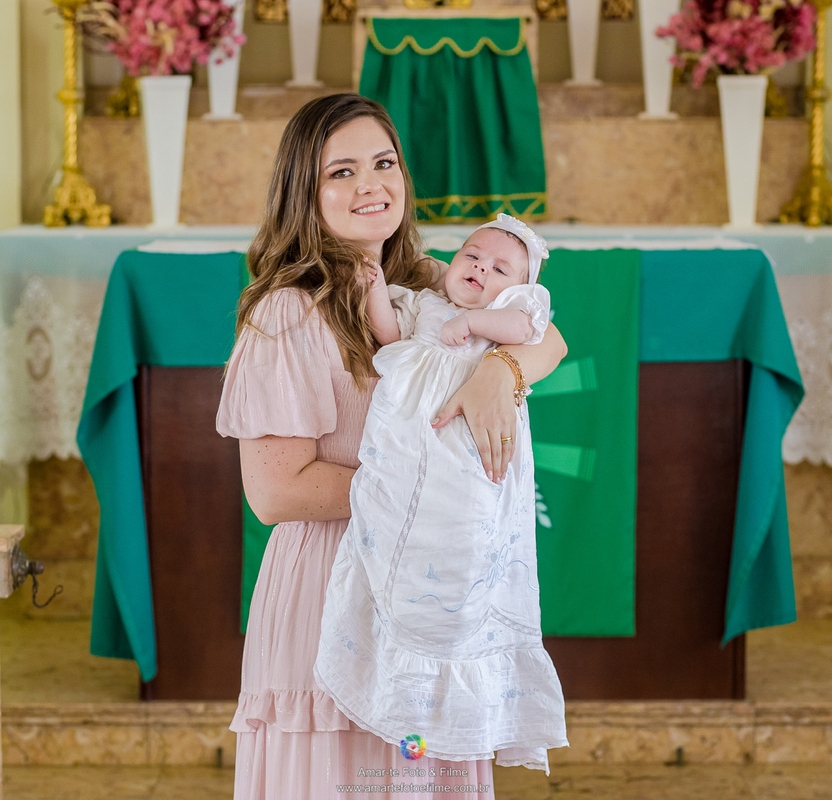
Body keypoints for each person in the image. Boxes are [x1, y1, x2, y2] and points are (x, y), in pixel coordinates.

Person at [216, 93, 567, 799]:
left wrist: (499, 374)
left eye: (383, 163)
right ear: (303, 194)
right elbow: (275, 490)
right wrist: (432, 485)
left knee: (413, 774)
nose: (370, 185)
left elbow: (546, 337)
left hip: (426, 593)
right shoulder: (287, 311)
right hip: (332, 583)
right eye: (340, 172)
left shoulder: (426, 280)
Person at [314, 213, 568, 775]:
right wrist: (374, 282)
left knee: (459, 554)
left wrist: (479, 320)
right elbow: (385, 330)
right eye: (473, 256)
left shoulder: (506, 319)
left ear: (522, 287)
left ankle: (446, 686)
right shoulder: (426, 305)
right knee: (392, 557)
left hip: (463, 464)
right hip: (402, 459)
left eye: (501, 268)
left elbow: (531, 331)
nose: (481, 267)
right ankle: (396, 684)